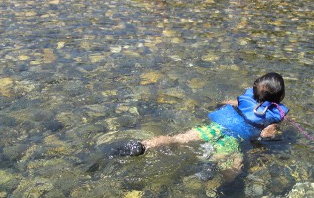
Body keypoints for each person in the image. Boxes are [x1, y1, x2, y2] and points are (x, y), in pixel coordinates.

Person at [119, 72, 289, 182]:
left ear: (253, 91)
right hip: (233, 138)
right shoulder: (273, 117)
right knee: (234, 170)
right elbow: (267, 135)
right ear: (279, 98)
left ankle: (144, 145)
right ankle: (212, 166)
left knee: (179, 139)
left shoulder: (243, 101)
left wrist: (217, 104)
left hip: (214, 127)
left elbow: (226, 103)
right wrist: (269, 136)